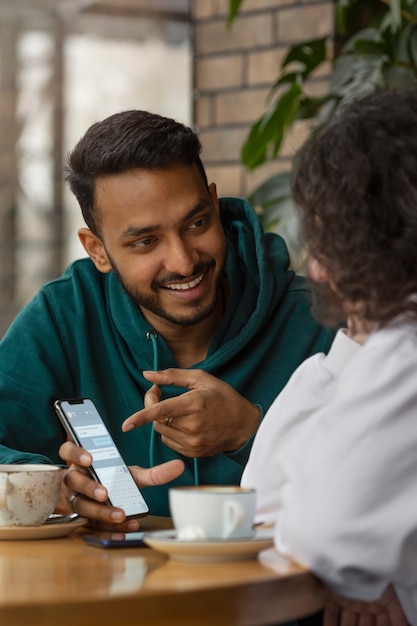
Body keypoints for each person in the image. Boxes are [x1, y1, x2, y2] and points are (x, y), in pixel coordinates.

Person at [0, 109, 334, 530]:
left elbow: (386, 472)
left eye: (196, 223)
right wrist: (60, 489)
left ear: (214, 203)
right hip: (116, 591)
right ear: (97, 250)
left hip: (282, 591)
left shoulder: (322, 316)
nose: (183, 261)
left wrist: (254, 431)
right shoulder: (64, 315)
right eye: (145, 241)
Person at [241, 86, 417, 626]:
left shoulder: (406, 347)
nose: (316, 269)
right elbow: (264, 513)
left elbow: (314, 538)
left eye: (330, 239)